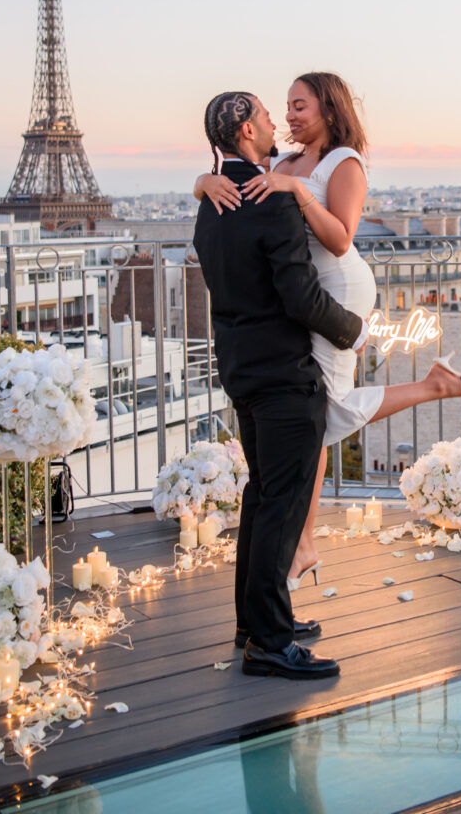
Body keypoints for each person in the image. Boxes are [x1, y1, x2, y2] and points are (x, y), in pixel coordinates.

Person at [195, 72, 461, 588]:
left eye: (299, 106)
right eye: (284, 107)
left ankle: (299, 546)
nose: (288, 116)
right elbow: (242, 179)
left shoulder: (342, 163)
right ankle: (301, 543)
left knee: (319, 413)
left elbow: (340, 238)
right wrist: (203, 180)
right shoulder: (283, 161)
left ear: (329, 110)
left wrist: (296, 192)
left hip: (333, 290)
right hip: (305, 295)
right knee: (315, 416)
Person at [194, 90, 365, 680]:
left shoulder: (211, 203)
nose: (274, 123)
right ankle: (268, 642)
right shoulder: (271, 204)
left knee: (262, 497)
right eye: (267, 115)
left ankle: (258, 620)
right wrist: (354, 331)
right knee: (281, 508)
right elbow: (302, 297)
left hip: (241, 370)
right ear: (246, 131)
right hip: (284, 377)